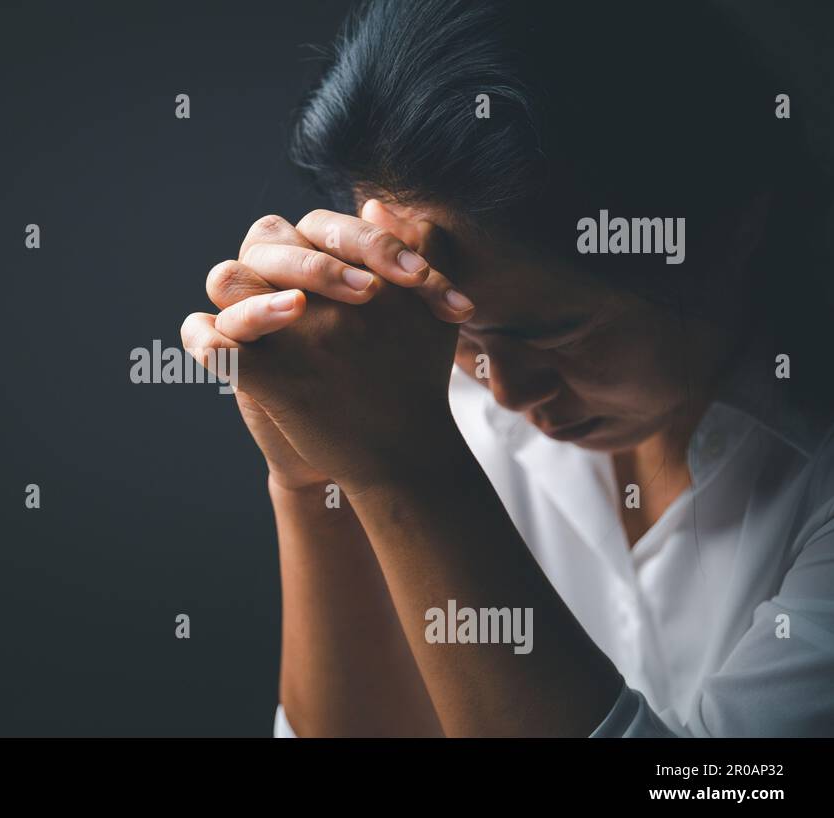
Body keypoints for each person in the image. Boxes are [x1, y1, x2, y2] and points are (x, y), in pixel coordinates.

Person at [180, 0, 834, 736]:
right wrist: (312, 477)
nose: (505, 391)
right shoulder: (425, 396)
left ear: (732, 228)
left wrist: (410, 472)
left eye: (558, 332)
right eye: (462, 333)